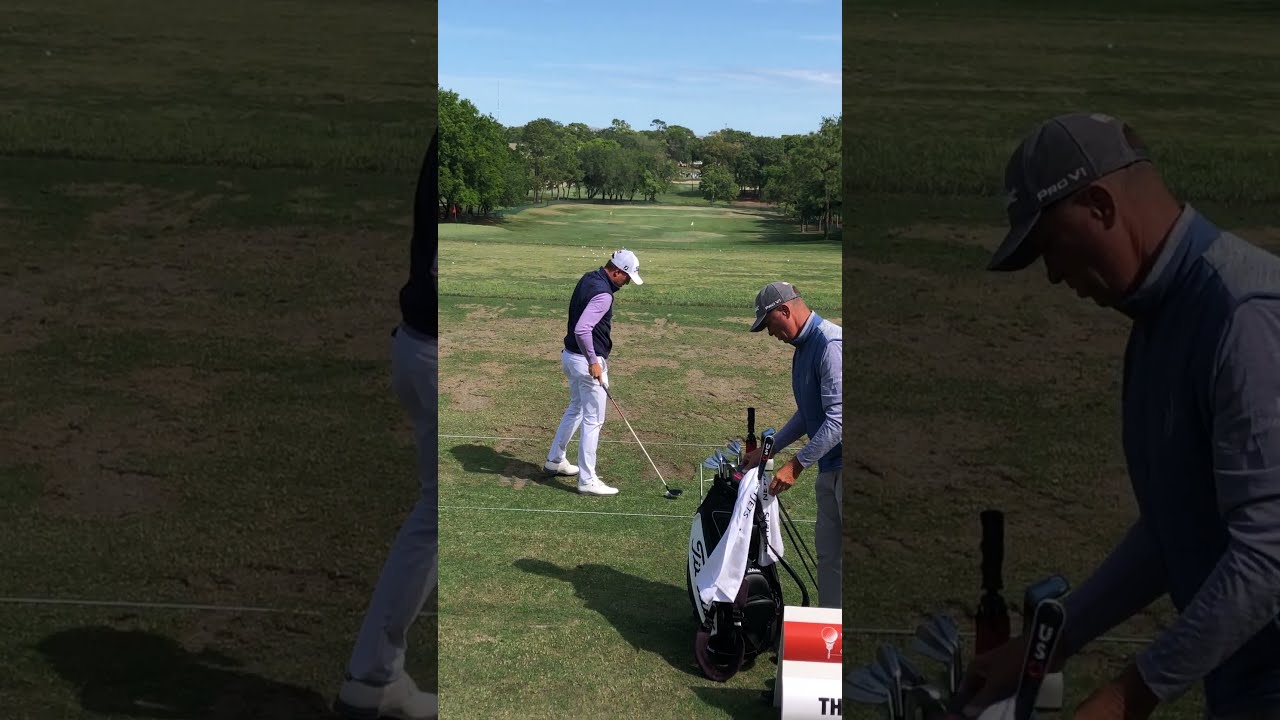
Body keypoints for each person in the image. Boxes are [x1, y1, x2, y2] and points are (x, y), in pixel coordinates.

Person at [956, 112, 1280, 720]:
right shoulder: (1160, 321)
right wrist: (1050, 643)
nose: (1052, 273)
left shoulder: (1244, 317)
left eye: (1051, 245)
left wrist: (1126, 697)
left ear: (1101, 205)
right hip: (1242, 679)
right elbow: (1173, 528)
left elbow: (1267, 557)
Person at [333, 130, 439, 720]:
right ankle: (371, 681)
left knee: (434, 515)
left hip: (417, 344)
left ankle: (374, 678)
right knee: (436, 519)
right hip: (432, 350)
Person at [744, 281, 842, 609]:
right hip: (830, 470)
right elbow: (808, 413)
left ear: (785, 310)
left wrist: (795, 465)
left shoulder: (829, 343)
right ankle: (832, 637)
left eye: (770, 324)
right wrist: (769, 451)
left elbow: (838, 421)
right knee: (829, 558)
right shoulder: (804, 347)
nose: (771, 334)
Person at [545, 249, 644, 496]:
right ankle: (587, 480)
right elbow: (582, 329)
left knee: (576, 408)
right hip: (585, 361)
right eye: (627, 277)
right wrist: (593, 361)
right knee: (594, 419)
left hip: (569, 357)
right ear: (616, 271)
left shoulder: (589, 277)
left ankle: (555, 460)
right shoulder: (604, 295)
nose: (628, 282)